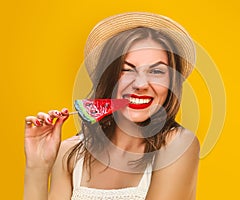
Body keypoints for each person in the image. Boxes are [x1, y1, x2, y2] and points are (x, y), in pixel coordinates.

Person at [24, 12, 200, 200]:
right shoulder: (71, 152)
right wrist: (37, 168)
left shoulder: (179, 144)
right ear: (109, 77)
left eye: (156, 71)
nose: (140, 84)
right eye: (126, 70)